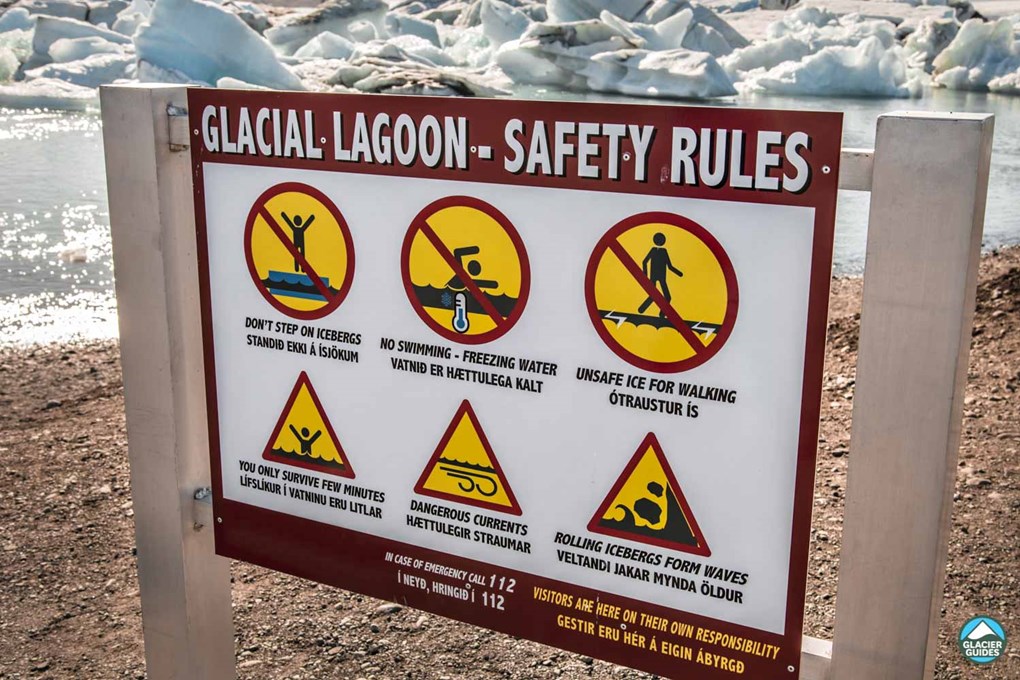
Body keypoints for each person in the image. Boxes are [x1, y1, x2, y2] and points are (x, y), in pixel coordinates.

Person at [638, 233, 683, 317]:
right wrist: (645, 275)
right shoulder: (658, 251)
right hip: (659, 277)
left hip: (658, 277)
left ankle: (650, 311)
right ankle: (660, 314)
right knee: (667, 297)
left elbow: (645, 262)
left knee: (656, 295)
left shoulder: (658, 251)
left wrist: (679, 274)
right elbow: (669, 266)